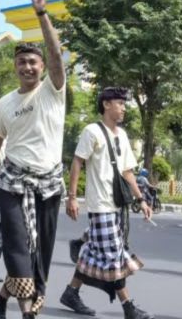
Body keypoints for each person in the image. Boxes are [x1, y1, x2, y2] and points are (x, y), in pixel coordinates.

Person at [0, 0, 67, 319]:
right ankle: (27, 313)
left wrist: (41, 14)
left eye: (33, 62)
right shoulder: (4, 105)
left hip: (49, 185)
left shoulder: (53, 91)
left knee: (41, 256)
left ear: (42, 67)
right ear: (15, 67)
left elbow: (55, 55)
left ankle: (0, 297)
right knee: (18, 250)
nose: (27, 67)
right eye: (21, 62)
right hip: (12, 183)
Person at [62, 85, 153, 319]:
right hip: (100, 205)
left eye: (124, 104)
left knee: (93, 252)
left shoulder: (122, 135)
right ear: (106, 104)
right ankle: (128, 307)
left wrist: (141, 199)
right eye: (120, 103)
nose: (124, 108)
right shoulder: (91, 131)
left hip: (117, 205)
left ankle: (71, 292)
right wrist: (72, 197)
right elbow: (77, 163)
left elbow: (128, 172)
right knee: (113, 255)